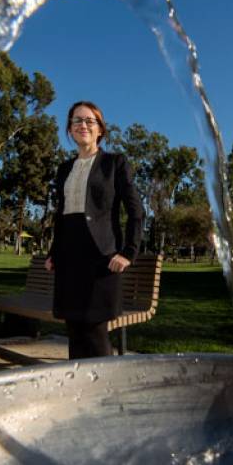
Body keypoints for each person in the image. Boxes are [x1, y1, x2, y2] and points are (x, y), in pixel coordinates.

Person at [45, 101, 144, 359]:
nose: (83, 125)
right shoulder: (64, 168)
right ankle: (78, 390)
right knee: (74, 328)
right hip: (69, 256)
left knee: (95, 330)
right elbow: (62, 214)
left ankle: (105, 393)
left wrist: (128, 252)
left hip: (101, 258)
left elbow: (136, 211)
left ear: (100, 129)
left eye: (90, 120)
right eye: (77, 120)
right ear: (70, 129)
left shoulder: (115, 163)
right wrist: (53, 252)